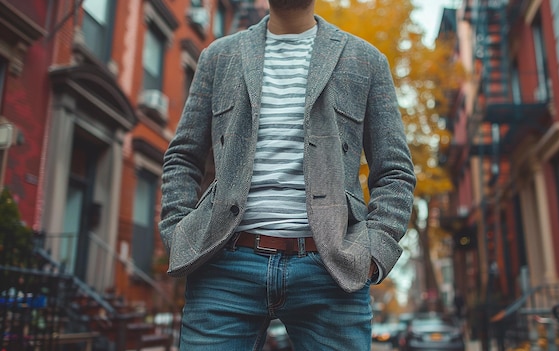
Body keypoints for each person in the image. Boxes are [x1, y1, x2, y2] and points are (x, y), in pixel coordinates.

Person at [158, 0, 416, 349]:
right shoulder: (218, 57)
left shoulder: (366, 60)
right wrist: (179, 233)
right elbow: (183, 156)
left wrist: (372, 253)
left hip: (333, 270)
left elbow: (395, 171)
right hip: (224, 268)